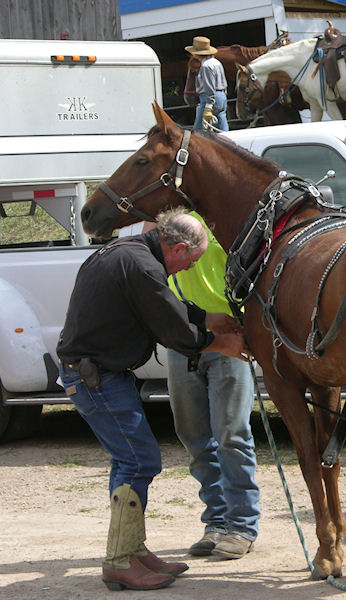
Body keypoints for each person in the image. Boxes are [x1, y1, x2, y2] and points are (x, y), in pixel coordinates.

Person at [57, 208, 247, 591]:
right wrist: (223, 342)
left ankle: (132, 551)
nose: (187, 270)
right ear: (177, 249)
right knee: (138, 459)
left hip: (97, 373)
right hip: (97, 377)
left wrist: (207, 318)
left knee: (128, 460)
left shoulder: (127, 252)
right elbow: (173, 329)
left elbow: (163, 306)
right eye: (190, 262)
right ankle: (121, 561)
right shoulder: (143, 267)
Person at [123, 215, 260, 560]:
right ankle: (216, 521)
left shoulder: (215, 215)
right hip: (184, 340)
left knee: (231, 432)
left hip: (225, 335)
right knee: (193, 434)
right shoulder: (161, 224)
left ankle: (241, 525)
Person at [185, 36, 229, 131]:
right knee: (222, 129)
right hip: (222, 96)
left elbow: (210, 87)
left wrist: (208, 106)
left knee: (198, 131)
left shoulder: (206, 66)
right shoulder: (217, 62)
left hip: (209, 98)